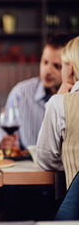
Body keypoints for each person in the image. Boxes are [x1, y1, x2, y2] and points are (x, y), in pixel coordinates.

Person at [0, 33, 73, 151]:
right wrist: (4, 143)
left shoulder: (74, 98)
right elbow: (1, 135)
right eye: (45, 62)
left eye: (57, 66)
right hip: (26, 166)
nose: (47, 70)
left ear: (70, 69)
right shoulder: (21, 93)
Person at [37, 35, 79, 189]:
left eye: (59, 65)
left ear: (70, 69)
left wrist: (68, 159)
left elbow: (44, 159)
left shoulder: (59, 103)